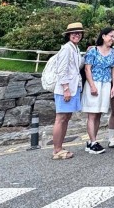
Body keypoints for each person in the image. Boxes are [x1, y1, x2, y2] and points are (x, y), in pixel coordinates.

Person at [81, 27, 114, 154]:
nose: (112, 39)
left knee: (98, 114)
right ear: (103, 36)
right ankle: (93, 142)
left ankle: (92, 141)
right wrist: (92, 86)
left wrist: (113, 87)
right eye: (110, 36)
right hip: (94, 82)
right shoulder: (93, 51)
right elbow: (87, 69)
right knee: (92, 114)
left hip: (106, 83)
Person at [51, 22, 84, 160]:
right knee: (61, 118)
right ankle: (57, 150)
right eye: (74, 33)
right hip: (66, 89)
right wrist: (66, 89)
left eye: (79, 33)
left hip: (73, 87)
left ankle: (59, 147)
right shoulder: (66, 49)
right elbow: (62, 70)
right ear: (69, 35)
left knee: (66, 118)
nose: (77, 35)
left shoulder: (75, 48)